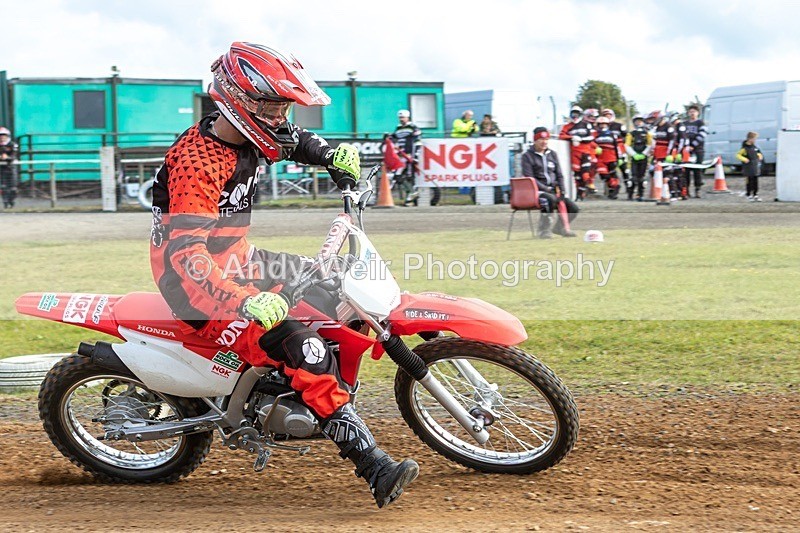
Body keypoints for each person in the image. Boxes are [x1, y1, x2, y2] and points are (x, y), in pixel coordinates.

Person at [149, 42, 418, 508]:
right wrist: (244, 300)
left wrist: (334, 158)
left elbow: (297, 141)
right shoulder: (198, 163)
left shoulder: (251, 133)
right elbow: (188, 258)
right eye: (271, 105)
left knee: (337, 289)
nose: (279, 117)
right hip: (198, 286)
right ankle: (373, 465)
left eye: (283, 106)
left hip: (240, 258)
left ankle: (304, 387)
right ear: (237, 99)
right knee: (306, 347)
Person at [521, 127, 579, 238]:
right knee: (549, 200)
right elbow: (530, 178)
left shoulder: (552, 154)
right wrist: (546, 189)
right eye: (541, 140)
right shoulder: (527, 156)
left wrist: (562, 191)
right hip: (536, 191)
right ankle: (543, 230)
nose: (544, 142)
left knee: (573, 208)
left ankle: (559, 228)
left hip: (553, 191)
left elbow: (559, 175)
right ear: (535, 140)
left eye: (546, 139)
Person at [559, 107, 599, 199]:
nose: (575, 116)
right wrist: (571, 137)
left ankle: (588, 187)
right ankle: (579, 193)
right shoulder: (567, 126)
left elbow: (590, 138)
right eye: (573, 114)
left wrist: (581, 139)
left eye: (577, 114)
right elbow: (561, 136)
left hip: (585, 152)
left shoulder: (586, 125)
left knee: (585, 172)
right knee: (577, 175)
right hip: (574, 154)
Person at [391, 109, 421, 206]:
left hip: (408, 155)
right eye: (400, 118)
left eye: (403, 117)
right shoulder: (398, 128)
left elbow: (416, 142)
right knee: (399, 176)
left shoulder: (413, 127)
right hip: (400, 155)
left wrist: (414, 156)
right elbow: (394, 138)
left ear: (408, 117)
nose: (401, 119)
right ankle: (411, 194)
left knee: (407, 176)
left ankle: (410, 197)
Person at [601, 109, 631, 196]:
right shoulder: (601, 127)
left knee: (624, 169)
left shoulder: (619, 126)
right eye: (605, 115)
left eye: (609, 115)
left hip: (620, 149)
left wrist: (622, 144)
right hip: (609, 152)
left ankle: (629, 187)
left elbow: (627, 136)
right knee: (610, 170)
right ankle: (612, 189)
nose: (607, 117)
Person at [624, 115, 652, 201]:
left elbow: (650, 144)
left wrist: (644, 153)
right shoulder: (631, 133)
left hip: (644, 158)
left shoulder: (647, 133)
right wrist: (633, 154)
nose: (639, 123)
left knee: (642, 178)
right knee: (633, 178)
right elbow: (627, 145)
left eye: (640, 121)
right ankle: (630, 195)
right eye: (637, 121)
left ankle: (640, 195)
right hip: (634, 158)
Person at [684, 104, 708, 198]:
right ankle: (686, 190)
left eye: (694, 111)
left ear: (698, 113)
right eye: (690, 111)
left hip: (698, 149)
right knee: (686, 170)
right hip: (686, 150)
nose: (692, 113)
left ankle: (697, 189)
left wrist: (693, 145)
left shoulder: (700, 123)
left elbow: (702, 134)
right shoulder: (685, 123)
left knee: (697, 169)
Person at [593, 116, 621, 199]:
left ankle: (613, 190)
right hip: (600, 158)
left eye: (604, 124)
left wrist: (620, 158)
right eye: (601, 124)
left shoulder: (612, 134)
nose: (602, 126)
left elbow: (617, 147)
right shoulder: (595, 134)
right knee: (604, 175)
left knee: (613, 174)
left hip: (611, 157)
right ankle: (614, 187)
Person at [650, 111, 676, 199]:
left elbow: (672, 141)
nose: (654, 121)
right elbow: (654, 141)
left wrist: (669, 153)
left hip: (666, 154)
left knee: (667, 173)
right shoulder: (656, 128)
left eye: (655, 119)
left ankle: (673, 193)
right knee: (652, 171)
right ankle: (660, 191)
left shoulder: (669, 127)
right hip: (657, 154)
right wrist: (652, 151)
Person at [736, 131, 763, 201]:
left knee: (755, 181)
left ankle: (755, 194)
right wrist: (744, 159)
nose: (755, 140)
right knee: (749, 181)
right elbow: (738, 155)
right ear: (749, 139)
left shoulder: (755, 147)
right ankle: (749, 194)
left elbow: (759, 153)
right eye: (754, 139)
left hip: (755, 167)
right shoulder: (744, 148)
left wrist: (760, 156)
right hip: (748, 168)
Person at [670, 113, 689, 200]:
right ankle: (678, 192)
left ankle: (683, 193)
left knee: (681, 173)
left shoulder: (680, 126)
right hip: (678, 151)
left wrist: (678, 152)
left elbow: (682, 140)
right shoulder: (676, 127)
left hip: (681, 152)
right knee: (676, 173)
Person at [0, 127, 19, 209]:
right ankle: (5, 203)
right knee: (3, 187)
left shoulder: (12, 144)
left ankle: (12, 201)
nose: (2, 137)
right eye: (0, 135)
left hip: (11, 168)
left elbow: (14, 156)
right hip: (2, 169)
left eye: (4, 135)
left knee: (13, 188)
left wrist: (7, 157)